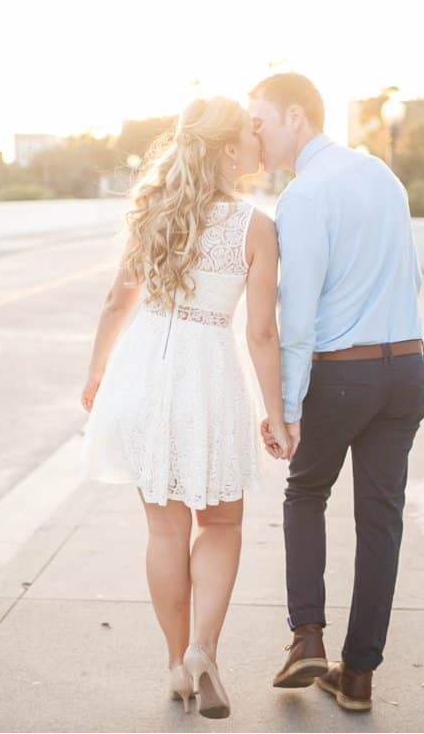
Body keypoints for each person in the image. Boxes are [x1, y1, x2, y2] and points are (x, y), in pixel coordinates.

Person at [80, 95, 291, 719]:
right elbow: (260, 334)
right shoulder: (255, 226)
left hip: (144, 371)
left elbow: (118, 301)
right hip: (207, 376)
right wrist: (276, 414)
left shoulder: (155, 214)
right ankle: (204, 650)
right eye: (251, 134)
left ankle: (177, 667)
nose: (259, 140)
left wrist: (96, 373)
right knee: (221, 524)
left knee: (165, 528)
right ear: (230, 150)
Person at [250, 73, 424, 713]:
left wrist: (288, 407)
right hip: (407, 370)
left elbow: (296, 319)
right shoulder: (382, 175)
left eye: (261, 121)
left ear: (296, 117)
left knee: (305, 493)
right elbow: (408, 273)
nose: (255, 134)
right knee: (381, 521)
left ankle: (306, 639)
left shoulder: (303, 197)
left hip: (344, 373)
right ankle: (357, 677)